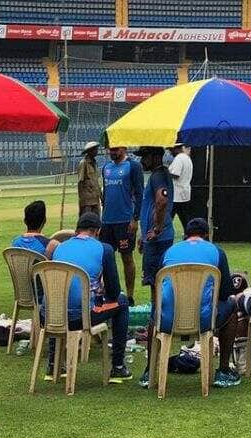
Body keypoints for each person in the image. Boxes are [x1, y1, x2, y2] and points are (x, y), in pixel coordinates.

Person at [151, 218, 243, 388]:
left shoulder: (169, 252)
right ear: (207, 235)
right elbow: (225, 294)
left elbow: (157, 286)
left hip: (167, 319)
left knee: (155, 310)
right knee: (232, 305)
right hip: (203, 320)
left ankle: (148, 373)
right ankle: (223, 370)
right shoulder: (216, 252)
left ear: (185, 236)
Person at [48, 211, 133, 383]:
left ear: (76, 230)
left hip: (51, 316)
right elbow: (114, 291)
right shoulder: (104, 249)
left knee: (59, 300)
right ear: (97, 231)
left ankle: (53, 364)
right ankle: (117, 366)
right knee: (122, 302)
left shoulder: (59, 248)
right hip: (81, 316)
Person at [100, 144, 145, 299]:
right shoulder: (105, 167)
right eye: (110, 149)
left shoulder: (133, 166)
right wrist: (102, 218)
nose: (111, 152)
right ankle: (109, 294)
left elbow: (140, 194)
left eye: (115, 149)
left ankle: (130, 295)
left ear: (123, 148)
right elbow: (105, 194)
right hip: (107, 222)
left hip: (125, 221)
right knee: (105, 258)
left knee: (127, 258)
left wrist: (135, 219)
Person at [139, 146, 176, 295]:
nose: (142, 160)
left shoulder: (157, 176)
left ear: (155, 157)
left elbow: (161, 201)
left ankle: (156, 317)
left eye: (145, 156)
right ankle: (159, 315)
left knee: (155, 281)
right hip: (158, 237)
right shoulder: (161, 174)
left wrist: (156, 229)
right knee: (159, 281)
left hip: (157, 240)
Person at [168, 143, 196, 231]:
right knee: (186, 221)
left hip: (176, 196)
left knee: (167, 220)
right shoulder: (187, 158)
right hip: (184, 193)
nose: (170, 152)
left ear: (177, 149)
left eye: (171, 149)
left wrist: (165, 173)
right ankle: (191, 237)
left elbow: (176, 174)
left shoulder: (179, 158)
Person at [76, 141, 104, 216]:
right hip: (87, 201)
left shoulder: (94, 163)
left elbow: (96, 182)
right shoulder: (83, 163)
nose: (97, 151)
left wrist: (101, 197)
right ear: (90, 151)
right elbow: (80, 182)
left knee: (96, 222)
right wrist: (82, 200)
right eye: (95, 150)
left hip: (95, 199)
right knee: (86, 221)